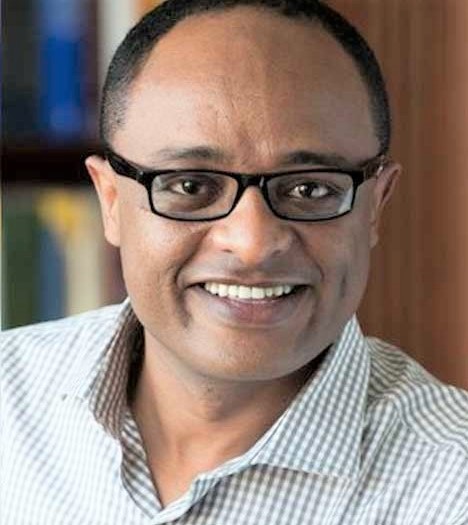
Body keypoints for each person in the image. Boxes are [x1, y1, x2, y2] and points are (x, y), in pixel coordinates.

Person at [1, 0, 467, 523]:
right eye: (190, 186)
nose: (252, 244)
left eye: (309, 189)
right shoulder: (8, 407)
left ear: (375, 206)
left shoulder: (451, 486)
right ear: (110, 201)